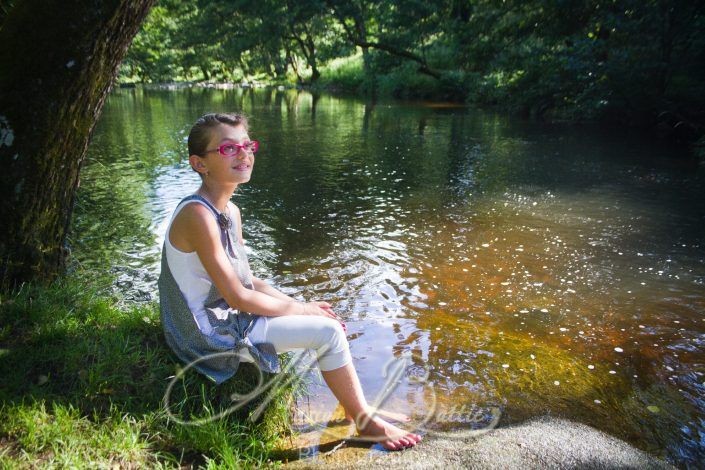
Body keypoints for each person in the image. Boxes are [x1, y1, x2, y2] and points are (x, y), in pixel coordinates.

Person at [158, 112, 422, 451]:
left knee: (317, 317)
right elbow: (238, 296)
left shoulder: (229, 211)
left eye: (246, 145)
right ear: (199, 163)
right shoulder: (197, 215)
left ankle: (352, 403)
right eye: (227, 148)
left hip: (223, 312)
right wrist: (299, 309)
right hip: (202, 331)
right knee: (327, 333)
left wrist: (301, 307)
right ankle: (364, 419)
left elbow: (247, 279)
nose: (243, 154)